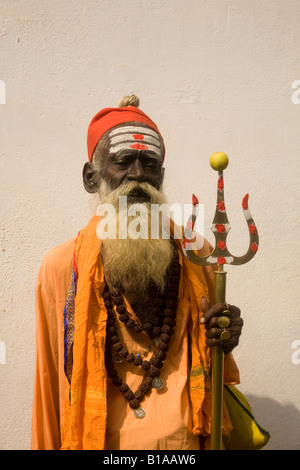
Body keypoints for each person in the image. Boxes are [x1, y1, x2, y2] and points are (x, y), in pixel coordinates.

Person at [31, 95, 243, 450]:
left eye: (150, 164)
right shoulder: (61, 267)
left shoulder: (197, 253)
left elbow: (212, 357)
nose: (138, 175)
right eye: (122, 161)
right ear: (90, 177)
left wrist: (224, 335)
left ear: (161, 176)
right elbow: (49, 380)